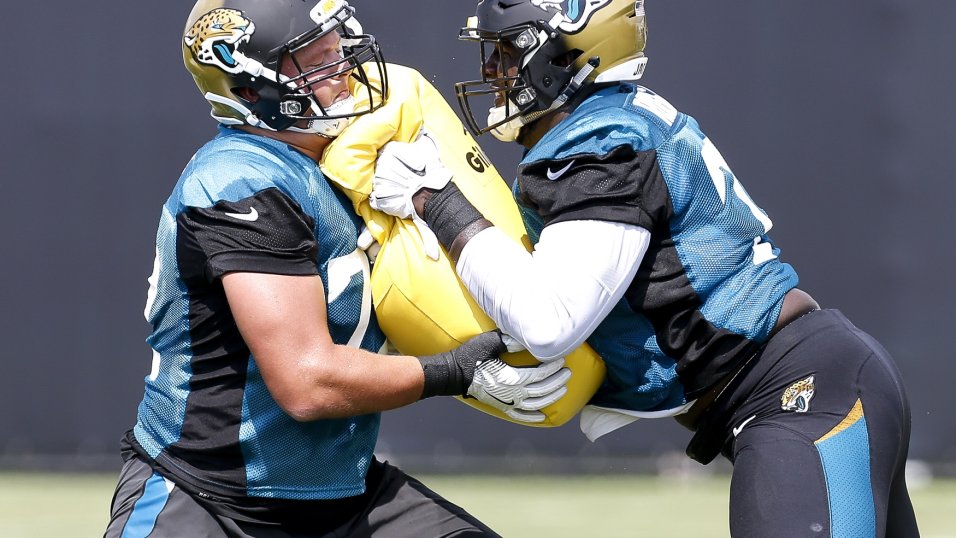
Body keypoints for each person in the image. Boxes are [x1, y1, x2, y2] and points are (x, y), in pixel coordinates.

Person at [368, 0, 920, 536]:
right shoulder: (617, 120)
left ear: (572, 54)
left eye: (511, 48)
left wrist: (435, 201)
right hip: (813, 379)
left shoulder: (603, 144)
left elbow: (550, 319)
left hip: (794, 393)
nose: (493, 69)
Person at [104, 1, 570, 536]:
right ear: (251, 88)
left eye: (337, 46)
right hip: (210, 498)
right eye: (316, 58)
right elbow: (308, 382)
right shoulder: (239, 181)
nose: (344, 66)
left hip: (340, 493)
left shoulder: (346, 157)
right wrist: (453, 371)